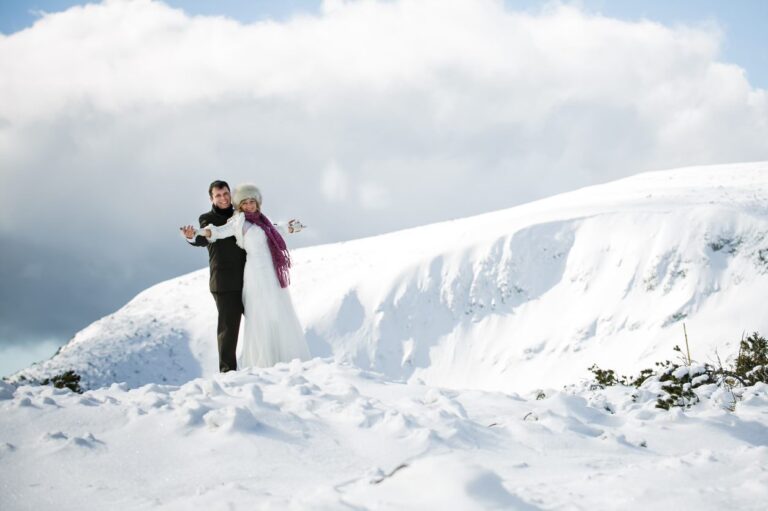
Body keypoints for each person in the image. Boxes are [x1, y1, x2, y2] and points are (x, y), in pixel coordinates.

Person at [193, 183, 311, 368]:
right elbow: (217, 231)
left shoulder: (264, 221)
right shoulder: (238, 222)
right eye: (245, 202)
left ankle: (282, 358)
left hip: (271, 274)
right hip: (254, 273)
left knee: (276, 313)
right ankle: (262, 362)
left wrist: (290, 227)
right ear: (239, 205)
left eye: (252, 201)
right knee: (257, 318)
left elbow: (275, 229)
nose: (249, 205)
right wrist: (197, 233)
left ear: (257, 203)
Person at [180, 181, 246, 372]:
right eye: (218, 195)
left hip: (250, 280)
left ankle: (267, 365)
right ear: (212, 199)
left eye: (225, 194)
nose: (223, 198)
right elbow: (202, 237)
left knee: (262, 321)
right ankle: (228, 373)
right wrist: (191, 236)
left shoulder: (240, 214)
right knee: (228, 331)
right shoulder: (207, 218)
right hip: (224, 284)